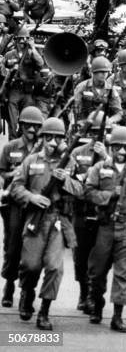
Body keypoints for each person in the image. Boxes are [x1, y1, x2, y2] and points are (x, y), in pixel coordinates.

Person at [12, 117, 83, 330]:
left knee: (54, 267)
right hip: (35, 218)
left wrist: (66, 181)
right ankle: (26, 292)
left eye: (58, 138)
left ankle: (44, 311)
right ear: (42, 137)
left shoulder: (70, 163)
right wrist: (31, 197)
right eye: (49, 137)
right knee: (30, 265)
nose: (53, 142)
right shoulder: (31, 160)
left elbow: (81, 190)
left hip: (58, 220)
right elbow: (16, 187)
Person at [85, 126, 126, 332]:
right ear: (111, 147)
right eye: (118, 147)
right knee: (97, 271)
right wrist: (109, 195)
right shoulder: (100, 167)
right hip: (105, 226)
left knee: (123, 273)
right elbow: (88, 192)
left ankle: (117, 316)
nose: (122, 152)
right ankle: (96, 305)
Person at [0, 106, 44, 308]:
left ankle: (27, 291)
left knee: (33, 250)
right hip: (14, 204)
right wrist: (15, 173)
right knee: (12, 246)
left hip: (34, 203)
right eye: (28, 125)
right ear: (22, 125)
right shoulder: (10, 147)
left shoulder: (43, 150)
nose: (32, 129)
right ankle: (9, 284)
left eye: (36, 126)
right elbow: (2, 174)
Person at [70, 110, 108, 313]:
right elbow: (72, 181)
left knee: (100, 257)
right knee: (80, 255)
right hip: (82, 210)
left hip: (103, 212)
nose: (97, 137)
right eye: (94, 132)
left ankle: (95, 295)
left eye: (101, 133)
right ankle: (83, 293)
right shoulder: (78, 153)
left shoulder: (112, 155)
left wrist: (105, 157)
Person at [2, 27, 45, 139]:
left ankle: (24, 141)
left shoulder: (32, 53)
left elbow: (40, 64)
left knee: (27, 119)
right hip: (14, 90)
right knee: (12, 121)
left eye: (25, 39)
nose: (22, 42)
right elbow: (2, 71)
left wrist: (33, 48)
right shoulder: (10, 54)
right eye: (20, 39)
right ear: (16, 40)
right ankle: (12, 142)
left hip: (27, 91)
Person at [73, 56, 122, 129]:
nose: (104, 74)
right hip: (84, 123)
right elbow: (75, 109)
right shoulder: (82, 87)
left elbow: (119, 113)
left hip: (104, 124)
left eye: (106, 72)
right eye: (101, 72)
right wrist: (77, 122)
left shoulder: (111, 89)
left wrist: (110, 120)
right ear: (94, 72)